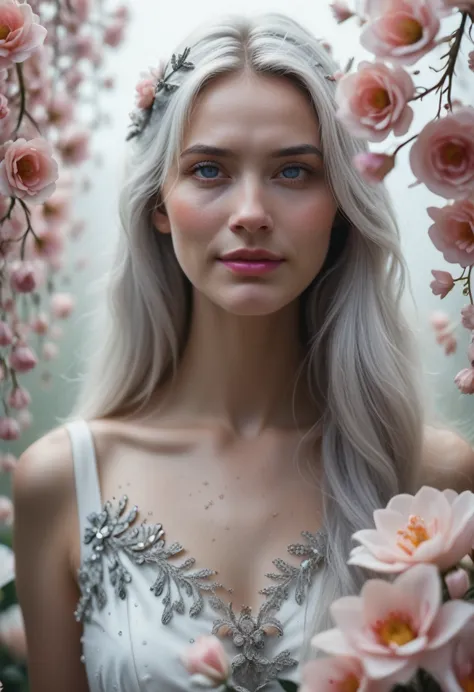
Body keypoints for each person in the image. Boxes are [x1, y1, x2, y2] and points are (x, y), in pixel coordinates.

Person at [12, 11, 474, 692]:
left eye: (293, 171)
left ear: (341, 203)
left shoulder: (432, 478)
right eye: (209, 169)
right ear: (159, 204)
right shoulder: (63, 481)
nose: (251, 211)